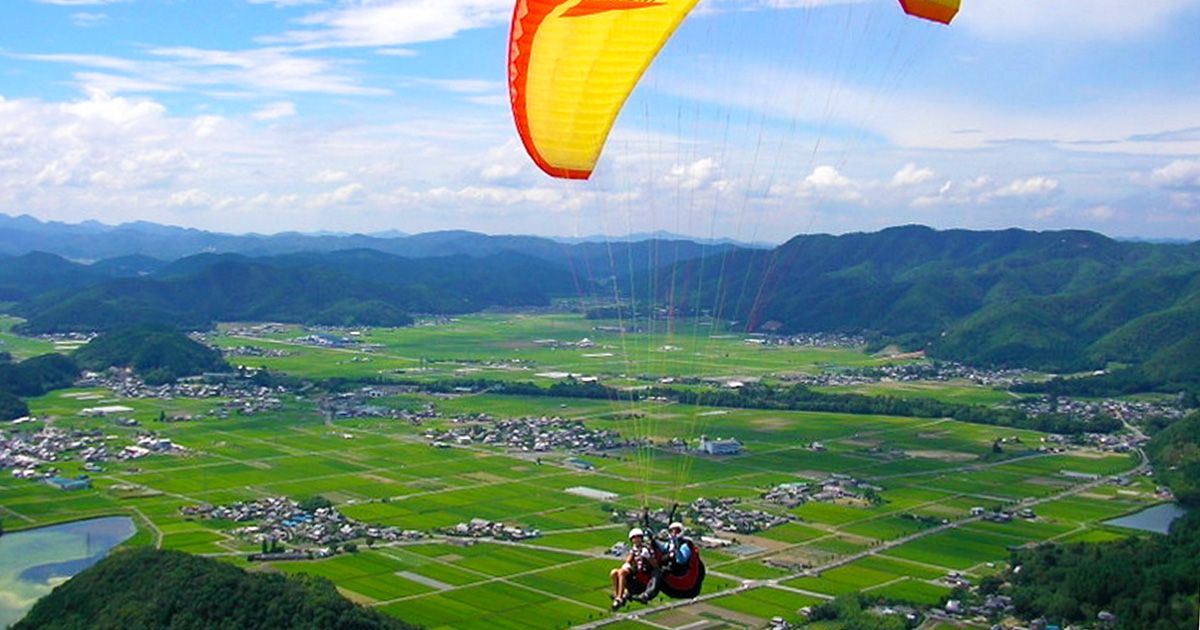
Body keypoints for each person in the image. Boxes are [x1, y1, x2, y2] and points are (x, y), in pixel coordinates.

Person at [610, 528, 657, 610]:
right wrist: (627, 564)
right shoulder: (634, 549)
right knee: (614, 572)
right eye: (634, 538)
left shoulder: (646, 548)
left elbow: (655, 566)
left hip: (642, 579)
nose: (636, 539)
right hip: (636, 574)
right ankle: (617, 595)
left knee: (621, 572)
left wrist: (648, 557)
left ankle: (619, 598)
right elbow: (629, 559)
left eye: (638, 537)